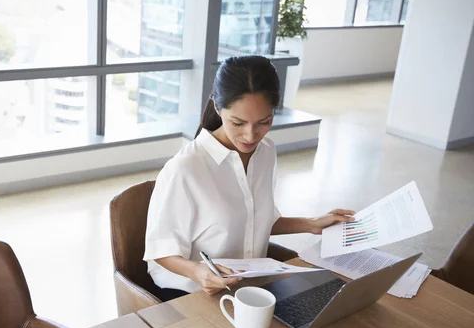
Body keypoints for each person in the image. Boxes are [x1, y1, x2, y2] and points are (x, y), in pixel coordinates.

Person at [143, 55, 355, 302]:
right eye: (238, 123)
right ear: (217, 107)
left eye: (264, 122)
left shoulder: (266, 152)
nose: (251, 135)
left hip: (250, 287)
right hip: (191, 293)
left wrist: (312, 224)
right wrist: (199, 272)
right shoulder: (185, 169)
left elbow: (255, 220)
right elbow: (161, 251)